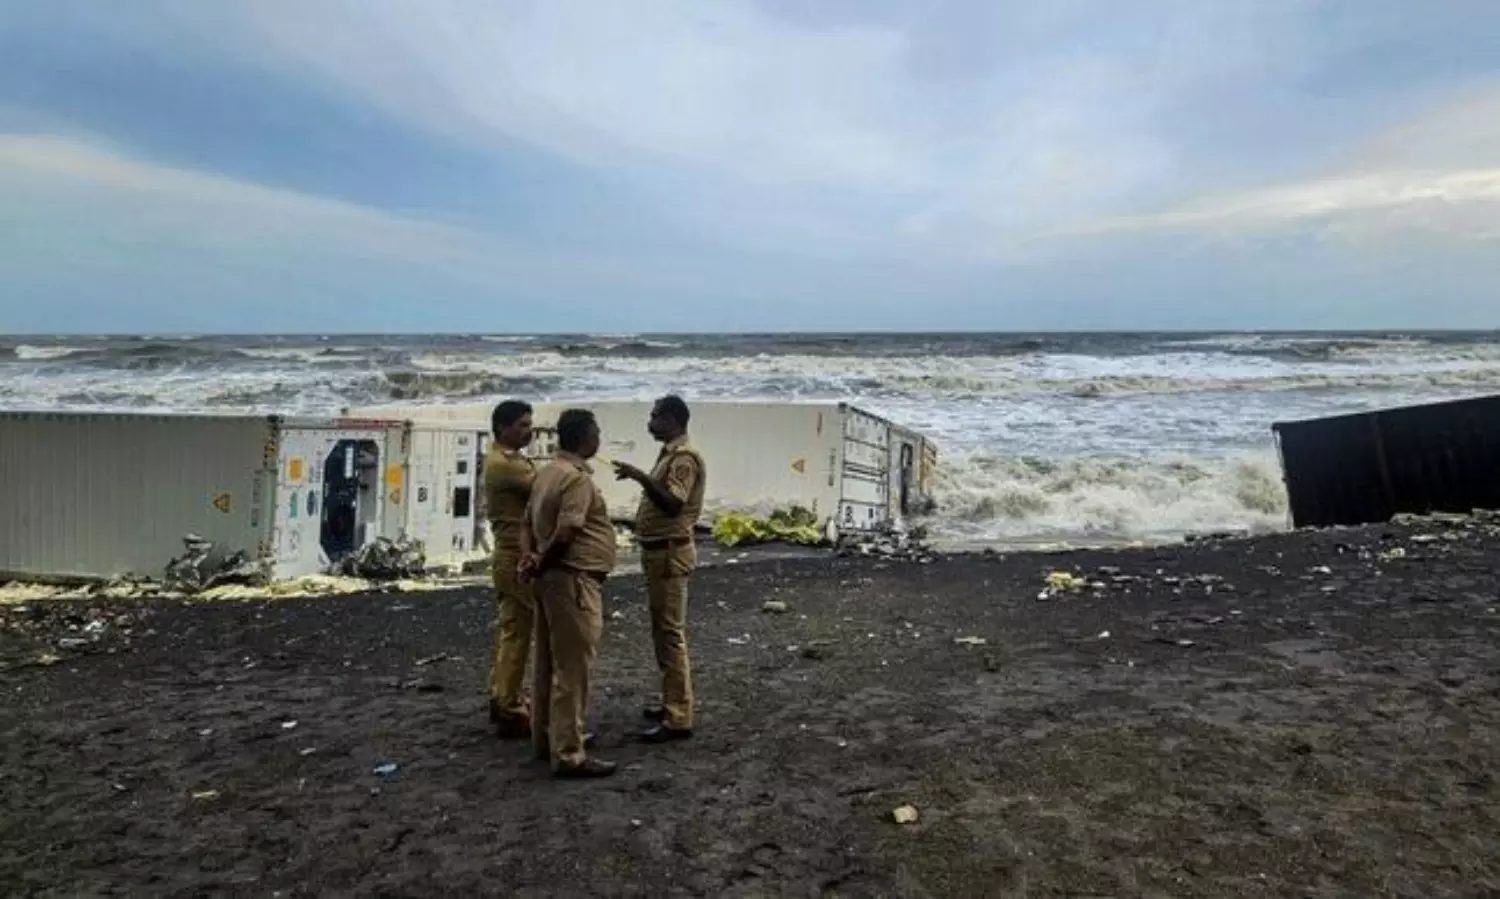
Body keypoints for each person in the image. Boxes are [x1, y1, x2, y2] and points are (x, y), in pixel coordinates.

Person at [519, 408, 618, 779]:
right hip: (574, 579)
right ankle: (570, 752)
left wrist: (530, 559)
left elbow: (526, 523)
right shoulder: (577, 479)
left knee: (546, 662)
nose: (599, 440)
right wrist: (542, 561)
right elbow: (567, 532)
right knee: (573, 669)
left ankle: (547, 738)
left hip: (550, 581)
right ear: (584, 437)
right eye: (596, 433)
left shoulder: (547, 472)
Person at [612, 395, 705, 744]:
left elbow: (672, 503)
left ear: (673, 419)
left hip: (669, 554)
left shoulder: (683, 459)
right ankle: (671, 701)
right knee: (662, 632)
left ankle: (679, 715)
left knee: (670, 634)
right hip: (659, 554)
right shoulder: (670, 453)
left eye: (655, 417)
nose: (650, 423)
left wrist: (640, 477)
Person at [482, 400, 537, 739]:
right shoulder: (507, 465)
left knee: (511, 630)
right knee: (518, 633)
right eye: (522, 425)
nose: (528, 431)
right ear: (502, 427)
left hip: (508, 554)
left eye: (529, 424)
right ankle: (510, 703)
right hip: (516, 555)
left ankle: (502, 695)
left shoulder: (502, 460)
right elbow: (547, 487)